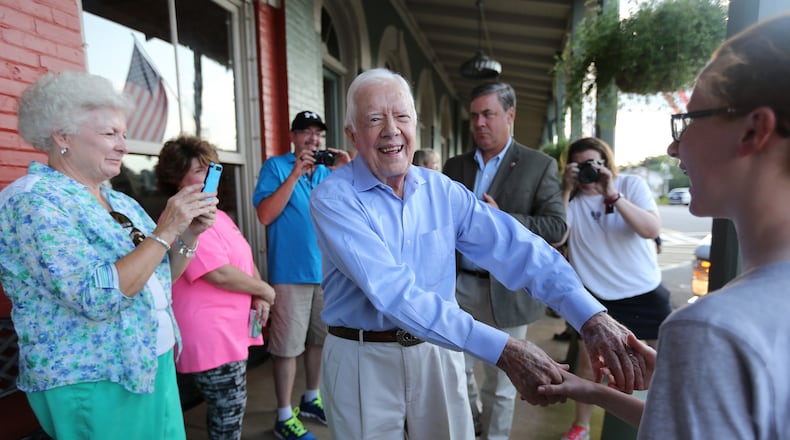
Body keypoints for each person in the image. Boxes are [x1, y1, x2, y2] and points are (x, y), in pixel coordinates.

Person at [309, 67, 649, 440]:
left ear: (415, 124)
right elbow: (393, 293)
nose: (391, 129)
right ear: (352, 134)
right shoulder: (334, 198)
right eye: (375, 119)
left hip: (436, 355)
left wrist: (589, 316)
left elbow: (515, 246)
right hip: (363, 359)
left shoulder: (441, 190)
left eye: (402, 116)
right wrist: (503, 349)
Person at [539, 13, 790, 438]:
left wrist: (696, 358)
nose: (675, 146)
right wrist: (608, 389)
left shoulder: (715, 330)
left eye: (689, 119)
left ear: (753, 131)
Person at [0, 71, 217, 439]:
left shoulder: (119, 201)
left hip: (149, 363)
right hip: (96, 379)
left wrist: (188, 234)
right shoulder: (33, 201)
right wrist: (165, 230)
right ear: (62, 136)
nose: (122, 146)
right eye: (108, 134)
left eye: (123, 135)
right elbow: (94, 296)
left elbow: (158, 276)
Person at [443, 81, 567, 440]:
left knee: (502, 383)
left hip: (507, 290)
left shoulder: (538, 165)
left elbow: (557, 225)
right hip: (458, 286)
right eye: (474, 116)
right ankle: (472, 427)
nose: (480, 123)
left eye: (488, 114)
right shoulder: (455, 166)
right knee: (455, 370)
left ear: (510, 115)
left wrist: (503, 219)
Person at [155, 135, 276, 439]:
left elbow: (243, 259)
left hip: (230, 333)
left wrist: (258, 291)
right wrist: (265, 291)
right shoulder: (184, 217)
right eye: (199, 171)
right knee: (227, 416)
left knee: (230, 412)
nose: (209, 177)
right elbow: (218, 274)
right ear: (176, 177)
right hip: (212, 339)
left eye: (212, 169)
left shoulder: (216, 213)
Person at [557, 137, 671, 440]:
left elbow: (650, 229)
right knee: (588, 365)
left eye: (594, 164)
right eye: (580, 166)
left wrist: (612, 194)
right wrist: (567, 190)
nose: (588, 171)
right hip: (598, 297)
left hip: (644, 289)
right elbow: (556, 239)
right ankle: (581, 426)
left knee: (658, 364)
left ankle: (661, 422)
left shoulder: (629, 185)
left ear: (606, 163)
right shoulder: (570, 201)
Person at [252, 111, 350, 440]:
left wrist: (347, 169)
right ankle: (283, 415)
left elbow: (354, 211)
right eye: (306, 132)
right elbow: (265, 215)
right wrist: (294, 174)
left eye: (318, 133)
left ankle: (311, 399)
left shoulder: (330, 172)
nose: (313, 138)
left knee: (319, 342)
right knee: (287, 347)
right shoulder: (276, 167)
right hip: (289, 274)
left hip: (326, 273)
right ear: (293, 136)